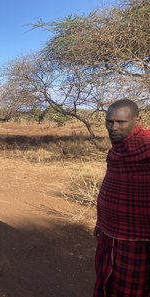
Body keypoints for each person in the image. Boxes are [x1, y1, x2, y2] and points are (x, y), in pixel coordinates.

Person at [93, 99, 150, 297]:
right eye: (109, 122)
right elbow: (110, 187)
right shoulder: (116, 152)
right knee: (109, 281)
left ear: (137, 120)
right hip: (110, 232)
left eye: (120, 122)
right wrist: (100, 220)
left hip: (140, 239)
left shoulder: (147, 147)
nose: (113, 127)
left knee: (133, 289)